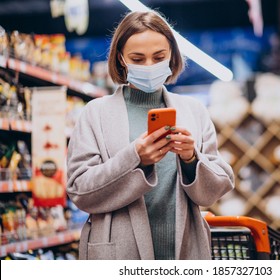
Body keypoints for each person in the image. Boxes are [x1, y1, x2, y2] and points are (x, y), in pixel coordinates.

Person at [66, 10, 234, 260]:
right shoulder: (95, 114)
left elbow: (214, 191)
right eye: (137, 58)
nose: (149, 66)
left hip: (185, 251)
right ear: (121, 59)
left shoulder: (193, 111)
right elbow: (80, 191)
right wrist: (135, 158)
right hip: (118, 252)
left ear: (172, 56)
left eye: (159, 57)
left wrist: (191, 159)